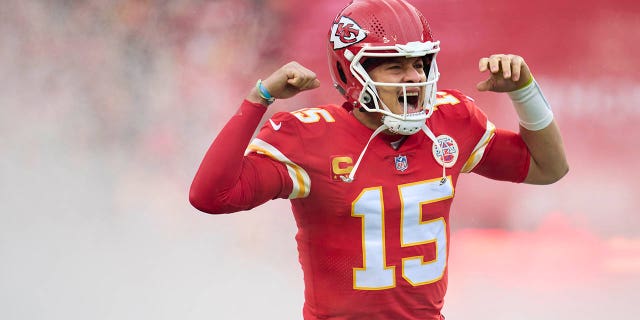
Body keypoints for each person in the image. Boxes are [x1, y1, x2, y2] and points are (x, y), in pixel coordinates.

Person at [189, 0, 568, 318]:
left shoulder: (450, 121)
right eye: (395, 66)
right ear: (351, 73)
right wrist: (259, 99)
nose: (413, 78)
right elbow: (211, 196)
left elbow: (548, 168)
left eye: (419, 63)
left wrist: (524, 92)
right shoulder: (309, 137)